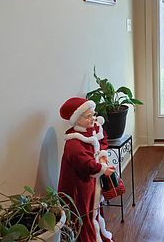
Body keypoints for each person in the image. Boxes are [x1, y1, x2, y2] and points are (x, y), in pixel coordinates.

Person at [58, 97, 115, 242]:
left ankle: (97, 234)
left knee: (94, 209)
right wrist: (103, 169)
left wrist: (102, 156)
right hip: (79, 184)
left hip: (91, 181)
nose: (93, 119)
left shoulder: (91, 129)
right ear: (77, 120)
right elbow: (85, 164)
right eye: (88, 116)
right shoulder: (73, 144)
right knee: (84, 211)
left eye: (93, 114)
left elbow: (102, 140)